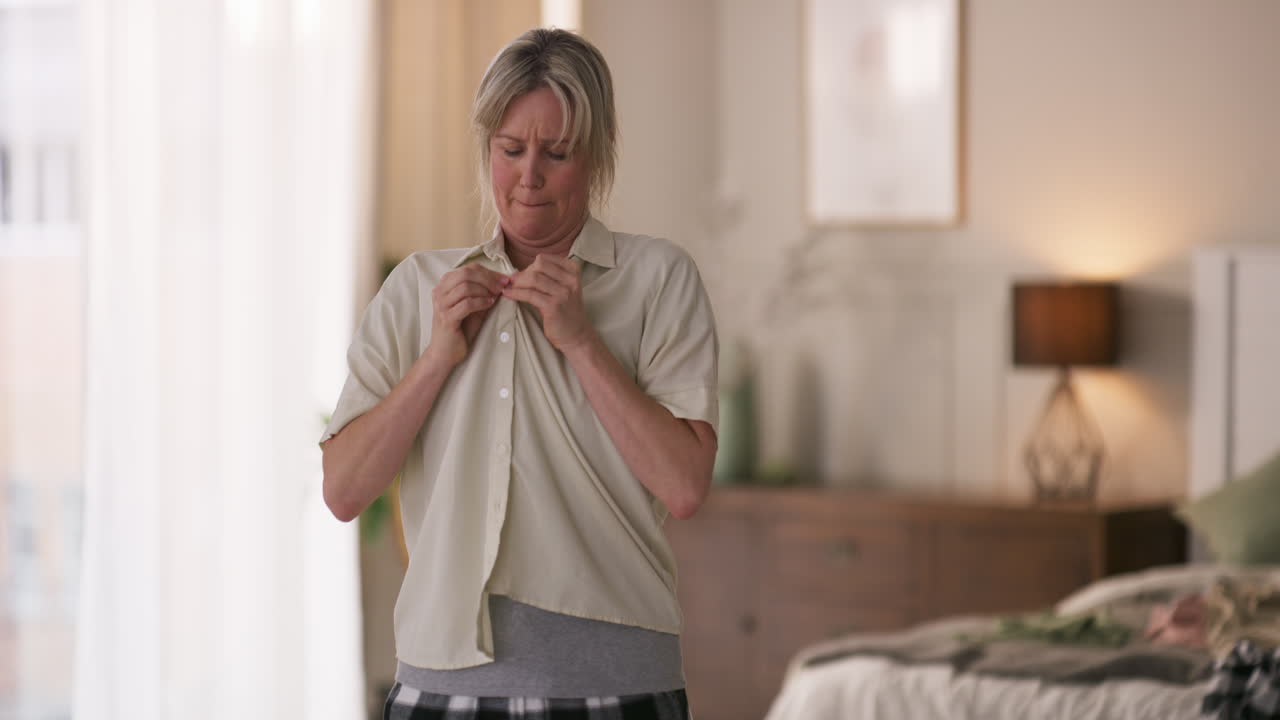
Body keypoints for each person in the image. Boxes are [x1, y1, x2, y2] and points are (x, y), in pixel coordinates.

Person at [318, 27, 719, 720]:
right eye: (510, 150)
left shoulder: (658, 279)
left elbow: (684, 486)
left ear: (595, 158)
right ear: (487, 150)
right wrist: (437, 358)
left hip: (620, 687)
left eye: (556, 153)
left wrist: (583, 343)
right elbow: (344, 489)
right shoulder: (417, 289)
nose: (528, 176)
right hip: (440, 690)